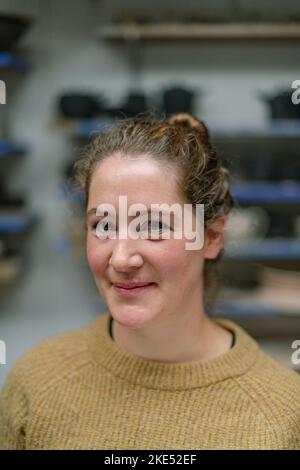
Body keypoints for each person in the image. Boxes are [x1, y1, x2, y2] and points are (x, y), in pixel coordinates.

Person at [0, 113, 299, 450]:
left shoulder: (282, 415)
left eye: (154, 226)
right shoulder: (37, 381)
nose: (121, 258)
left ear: (212, 236)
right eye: (104, 226)